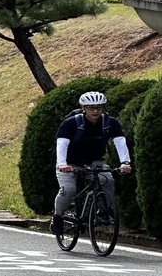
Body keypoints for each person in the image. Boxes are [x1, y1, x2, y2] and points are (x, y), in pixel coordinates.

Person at [51, 91, 133, 234]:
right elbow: (62, 143)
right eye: (91, 108)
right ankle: (57, 217)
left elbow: (120, 141)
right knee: (68, 190)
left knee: (106, 180)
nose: (95, 111)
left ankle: (103, 209)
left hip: (94, 161)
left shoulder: (110, 123)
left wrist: (125, 162)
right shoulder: (71, 123)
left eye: (99, 107)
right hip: (70, 162)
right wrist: (62, 164)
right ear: (84, 108)